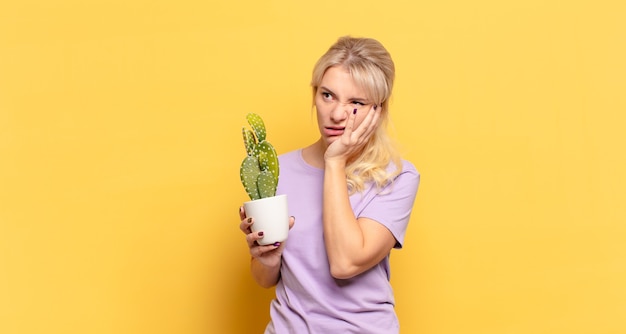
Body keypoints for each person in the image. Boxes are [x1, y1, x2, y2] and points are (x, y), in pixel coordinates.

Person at [238, 36, 420, 333]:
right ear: (314, 94)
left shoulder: (396, 177)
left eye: (356, 103)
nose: (337, 114)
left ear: (378, 110)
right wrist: (267, 259)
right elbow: (263, 279)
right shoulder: (278, 169)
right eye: (327, 95)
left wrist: (334, 162)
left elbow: (345, 263)